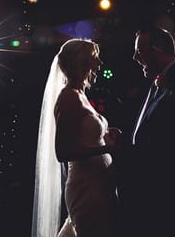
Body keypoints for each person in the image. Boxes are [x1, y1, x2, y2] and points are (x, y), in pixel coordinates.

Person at [116, 26, 175, 237]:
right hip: (156, 192)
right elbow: (154, 129)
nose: (134, 57)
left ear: (157, 50)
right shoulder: (157, 82)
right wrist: (128, 141)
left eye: (139, 51)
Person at [31, 39, 121, 237]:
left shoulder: (81, 94)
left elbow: (84, 136)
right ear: (82, 63)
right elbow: (63, 152)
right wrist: (107, 149)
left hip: (100, 183)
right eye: (95, 59)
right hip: (86, 187)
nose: (99, 64)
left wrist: (105, 135)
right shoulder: (68, 98)